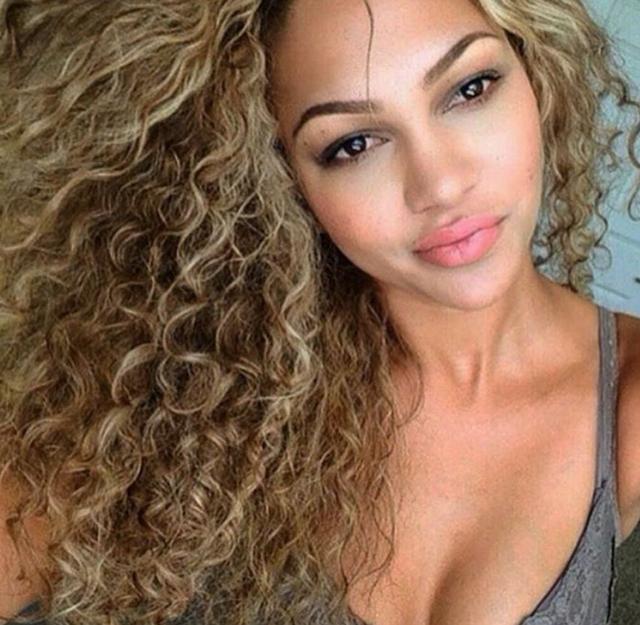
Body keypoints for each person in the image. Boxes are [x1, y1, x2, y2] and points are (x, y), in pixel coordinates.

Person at [0, 0, 639, 624]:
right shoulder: (181, 394)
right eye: (354, 144)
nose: (441, 186)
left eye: (470, 89)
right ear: (273, 176)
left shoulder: (626, 404)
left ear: (537, 73)